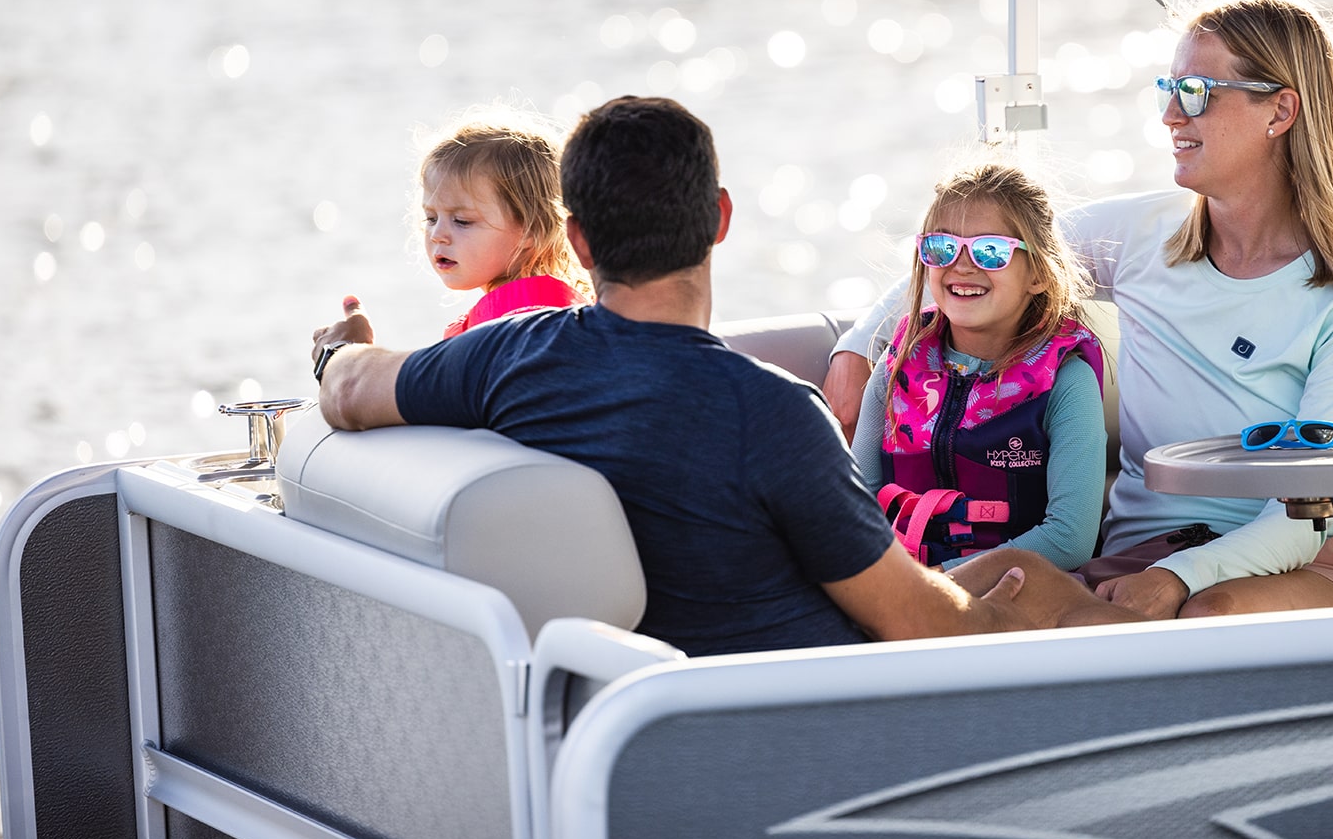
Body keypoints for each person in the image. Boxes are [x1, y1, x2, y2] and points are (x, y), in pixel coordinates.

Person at [315, 96, 1134, 657]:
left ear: (581, 242)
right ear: (719, 219)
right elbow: (919, 624)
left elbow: (350, 387)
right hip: (797, 710)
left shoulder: (509, 356)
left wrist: (339, 347)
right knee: (1031, 588)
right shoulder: (772, 416)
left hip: (636, 696)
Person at [826, 0, 1333, 619]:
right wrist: (859, 349)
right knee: (1000, 581)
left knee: (1207, 614)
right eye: (1169, 87)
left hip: (1304, 563)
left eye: (1196, 92)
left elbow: (1309, 512)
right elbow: (981, 255)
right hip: (1134, 560)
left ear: (1280, 110)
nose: (1168, 113)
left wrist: (1180, 576)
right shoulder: (1142, 236)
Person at [853, 160, 1106, 572]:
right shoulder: (897, 365)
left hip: (1013, 591)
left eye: (990, 251)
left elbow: (1069, 539)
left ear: (1039, 273)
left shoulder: (1065, 383)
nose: (962, 266)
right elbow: (856, 502)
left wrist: (940, 582)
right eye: (942, 247)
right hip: (899, 583)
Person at [311, 114, 589, 365]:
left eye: (462, 221)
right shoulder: (538, 307)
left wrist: (351, 357)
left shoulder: (525, 319)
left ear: (532, 230)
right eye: (431, 218)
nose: (437, 235)